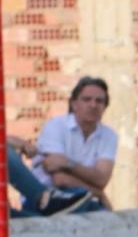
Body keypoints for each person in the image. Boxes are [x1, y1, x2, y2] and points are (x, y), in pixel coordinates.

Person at [16, 76, 117, 215]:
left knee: (107, 221)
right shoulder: (56, 126)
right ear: (74, 104)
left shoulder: (109, 135)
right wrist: (98, 193)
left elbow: (101, 179)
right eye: (86, 99)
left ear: (105, 107)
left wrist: (68, 163)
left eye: (99, 101)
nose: (93, 105)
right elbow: (60, 180)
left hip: (81, 196)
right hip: (44, 198)